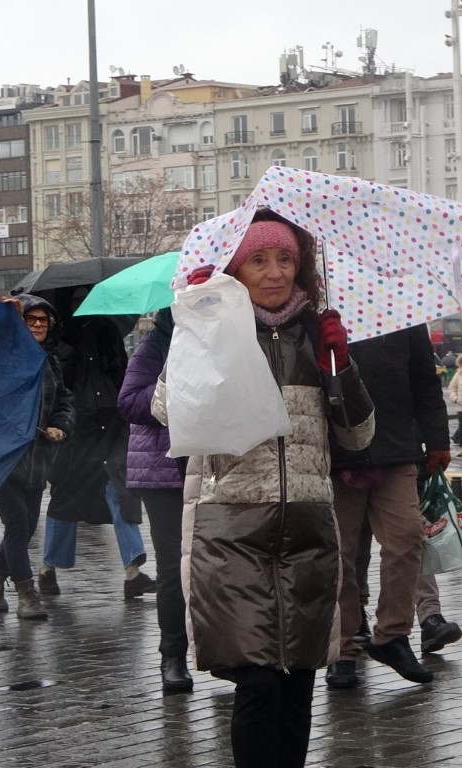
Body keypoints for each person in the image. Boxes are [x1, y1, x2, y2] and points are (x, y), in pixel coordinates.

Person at [154, 210, 374, 768]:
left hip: (307, 527)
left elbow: (359, 433)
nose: (274, 272)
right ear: (237, 267)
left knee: (299, 681)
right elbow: (164, 410)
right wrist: (201, 326)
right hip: (230, 529)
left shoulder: (315, 334)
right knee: (258, 683)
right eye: (258, 259)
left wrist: (341, 366)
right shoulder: (214, 326)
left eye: (285, 259)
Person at [325, 325, 448, 690]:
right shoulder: (318, 310)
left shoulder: (401, 313)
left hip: (395, 446)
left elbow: (425, 379)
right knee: (342, 555)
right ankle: (343, 650)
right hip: (336, 455)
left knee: (407, 538)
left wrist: (437, 439)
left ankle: (391, 635)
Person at [38, 308, 154, 601]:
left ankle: (133, 572)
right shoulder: (60, 339)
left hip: (111, 426)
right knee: (66, 496)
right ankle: (47, 568)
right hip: (77, 431)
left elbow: (121, 375)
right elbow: (57, 387)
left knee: (119, 490)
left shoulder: (107, 332)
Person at [0, 294, 74, 621]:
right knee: (17, 524)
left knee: (27, 526)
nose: (37, 325)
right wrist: (8, 316)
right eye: (30, 320)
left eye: (43, 321)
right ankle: (26, 593)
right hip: (3, 456)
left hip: (38, 457)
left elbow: (63, 401)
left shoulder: (51, 361)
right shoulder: (3, 356)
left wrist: (60, 425)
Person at [118, 307, 192, 693]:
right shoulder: (154, 344)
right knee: (173, 566)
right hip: (163, 472)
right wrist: (173, 379)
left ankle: (227, 652)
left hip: (215, 462)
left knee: (223, 564)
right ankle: (173, 656)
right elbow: (129, 402)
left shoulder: (231, 335)